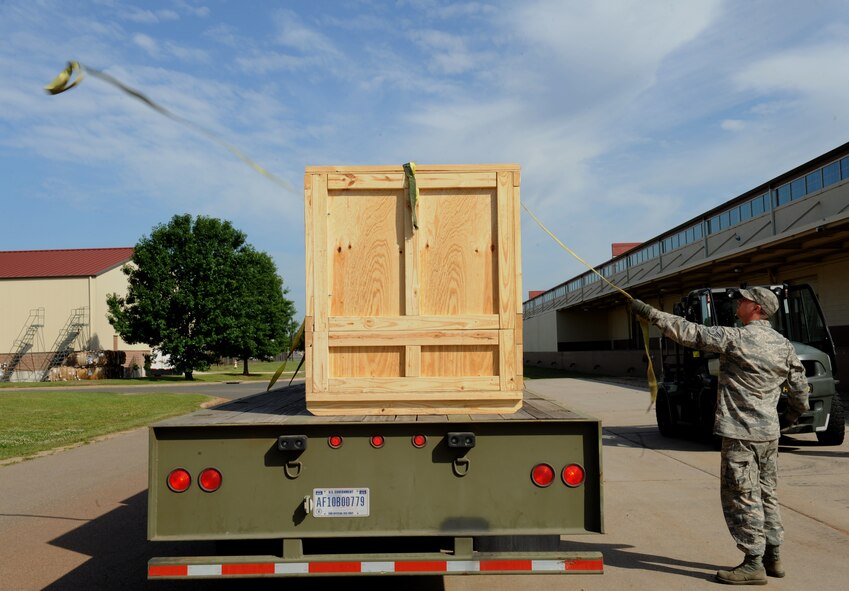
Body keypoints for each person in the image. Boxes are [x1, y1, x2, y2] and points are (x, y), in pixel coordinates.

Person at [631, 287, 809, 585]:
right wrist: (787, 420)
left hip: (740, 434)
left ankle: (753, 563)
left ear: (757, 308)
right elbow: (801, 393)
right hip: (768, 436)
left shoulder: (738, 338)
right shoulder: (784, 345)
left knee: (742, 496)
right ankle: (773, 556)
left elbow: (690, 333)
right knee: (767, 492)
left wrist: (650, 313)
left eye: (744, 300)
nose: (738, 303)